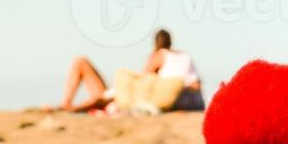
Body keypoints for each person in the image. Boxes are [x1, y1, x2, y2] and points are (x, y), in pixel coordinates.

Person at [60, 28, 205, 113]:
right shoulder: (185, 57)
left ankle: (67, 106)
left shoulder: (158, 56)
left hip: (133, 99)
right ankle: (68, 107)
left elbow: (142, 80)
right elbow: (196, 85)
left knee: (80, 62)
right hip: (183, 103)